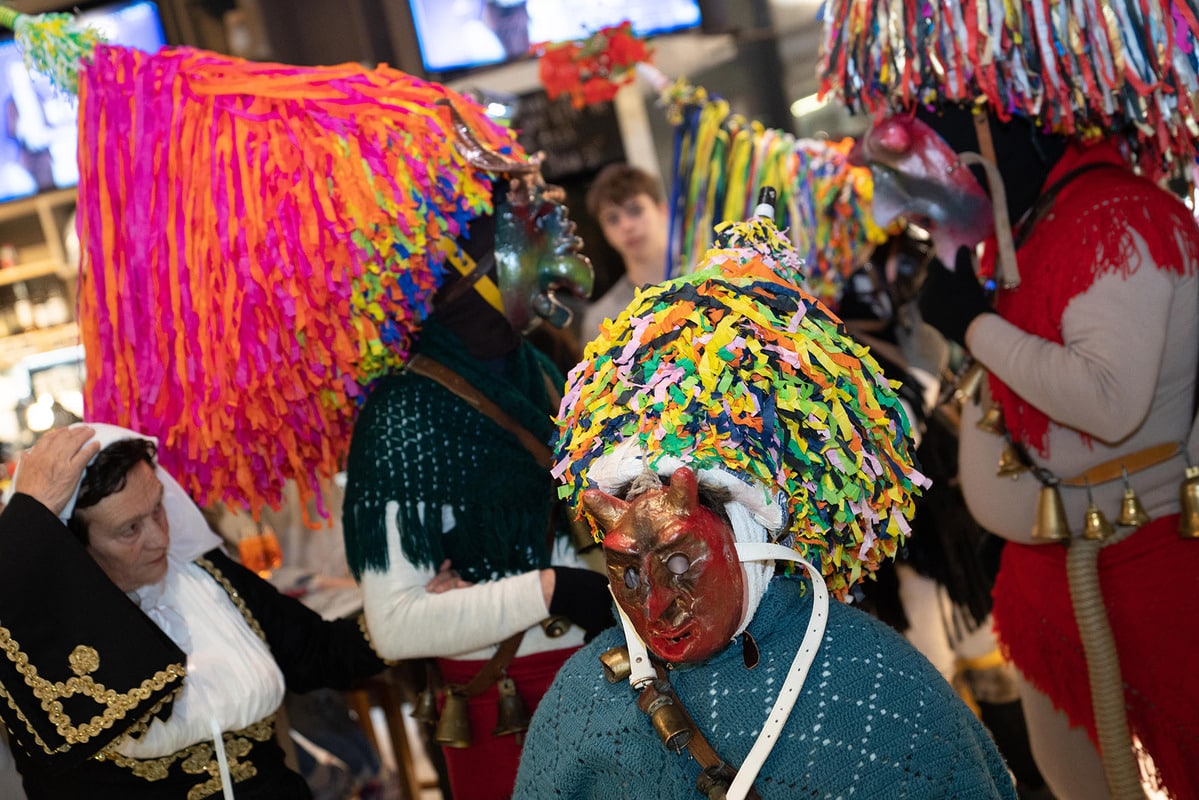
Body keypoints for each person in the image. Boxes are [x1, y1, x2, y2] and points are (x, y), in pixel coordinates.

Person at [818, 7, 1199, 794]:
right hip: (1059, 578)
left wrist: (974, 324)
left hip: (1135, 572)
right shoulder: (1035, 228)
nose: (904, 214)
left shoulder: (1114, 219)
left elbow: (1109, 403)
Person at [513, 211, 1017, 799]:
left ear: (747, 532)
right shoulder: (582, 702)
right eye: (629, 571)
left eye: (679, 561)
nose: (656, 605)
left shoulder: (880, 690)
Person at [341, 157, 614, 799]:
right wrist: (553, 590)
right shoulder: (403, 417)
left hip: (603, 679)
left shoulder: (540, 371)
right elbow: (396, 624)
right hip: (509, 709)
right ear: (473, 271)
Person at [0, 423, 391, 798]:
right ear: (74, 548)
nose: (160, 538)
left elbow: (319, 650)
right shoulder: (39, 649)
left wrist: (402, 616)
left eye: (158, 508)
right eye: (130, 529)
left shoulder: (205, 576)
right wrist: (31, 516)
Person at [580, 163, 671, 341]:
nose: (626, 225)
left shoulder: (712, 275)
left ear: (662, 211)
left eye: (635, 210)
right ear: (604, 232)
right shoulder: (603, 322)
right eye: (612, 219)